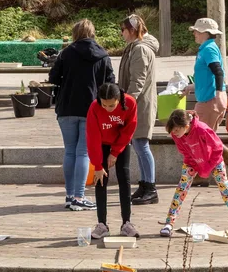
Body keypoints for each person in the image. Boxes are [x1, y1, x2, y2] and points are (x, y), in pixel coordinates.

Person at [49, 19, 113, 211]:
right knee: (83, 152)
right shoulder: (103, 55)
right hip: (91, 108)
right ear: (92, 33)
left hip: (66, 107)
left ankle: (70, 196)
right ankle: (79, 196)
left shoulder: (66, 53)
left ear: (75, 33)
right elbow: (110, 82)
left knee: (69, 151)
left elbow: (53, 77)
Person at [159, 109, 228, 238]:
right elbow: (185, 152)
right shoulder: (177, 135)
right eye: (172, 131)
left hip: (214, 161)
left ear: (186, 126)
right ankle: (169, 223)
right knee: (181, 189)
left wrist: (207, 168)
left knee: (225, 189)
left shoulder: (202, 129)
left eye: (177, 130)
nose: (174, 133)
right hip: (192, 161)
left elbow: (217, 148)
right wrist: (195, 166)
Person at [86, 82, 139, 239]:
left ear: (119, 99)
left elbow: (129, 129)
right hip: (101, 144)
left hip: (121, 143)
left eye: (112, 105)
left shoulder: (130, 103)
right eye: (104, 105)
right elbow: (92, 137)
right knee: (101, 179)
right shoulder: (94, 107)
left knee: (124, 177)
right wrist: (97, 165)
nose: (108, 109)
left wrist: (115, 152)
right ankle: (102, 224)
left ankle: (126, 223)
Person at [117, 14, 160, 205]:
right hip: (138, 104)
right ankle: (144, 185)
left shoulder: (140, 49)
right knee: (138, 144)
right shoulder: (136, 47)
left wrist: (126, 104)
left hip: (140, 106)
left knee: (141, 144)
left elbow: (137, 81)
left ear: (132, 30)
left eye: (123, 30)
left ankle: (151, 188)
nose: (122, 33)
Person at [189, 18, 227, 130]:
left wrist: (219, 94)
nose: (194, 33)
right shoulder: (206, 48)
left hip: (210, 101)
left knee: (199, 136)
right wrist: (191, 87)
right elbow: (207, 75)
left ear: (205, 33)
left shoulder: (209, 49)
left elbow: (218, 71)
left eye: (196, 31)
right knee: (206, 137)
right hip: (209, 100)